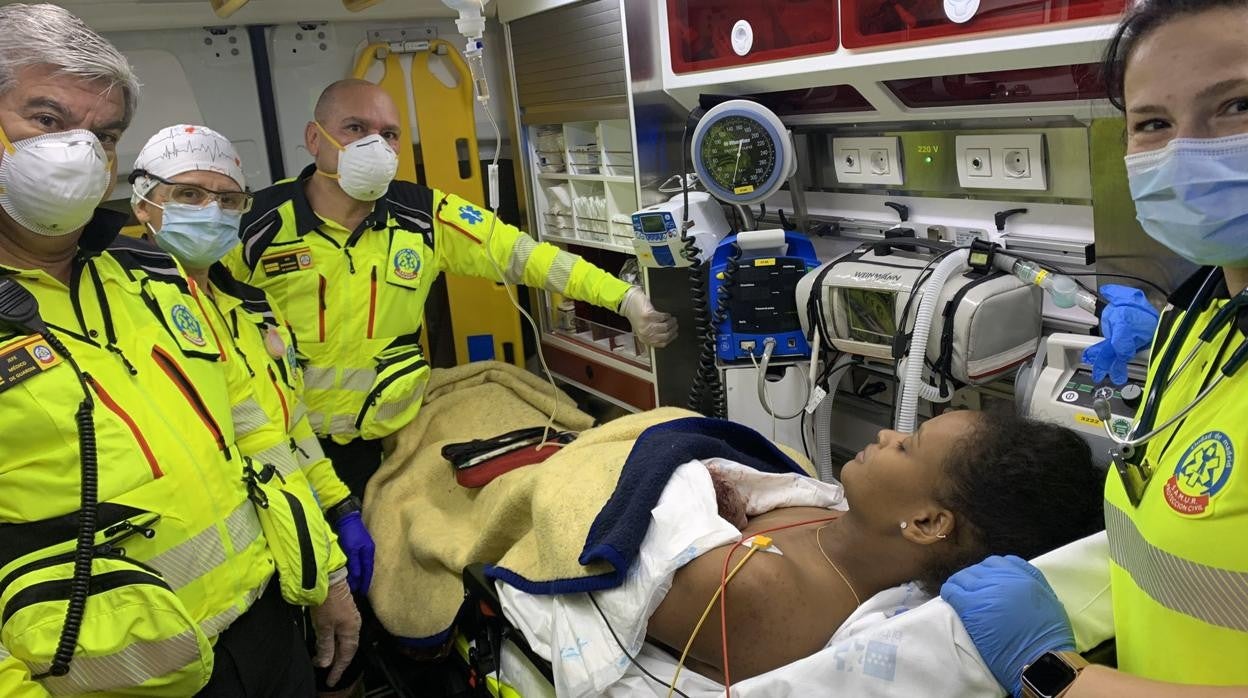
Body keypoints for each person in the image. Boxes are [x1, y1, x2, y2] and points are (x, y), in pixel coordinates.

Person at [0, 5, 351, 695]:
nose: (78, 152)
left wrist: (326, 572)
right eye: (46, 120)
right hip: (114, 676)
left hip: (267, 632)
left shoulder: (150, 278)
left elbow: (256, 434)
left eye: (102, 136)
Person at [939, 1, 1248, 695]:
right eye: (1154, 124)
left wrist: (1056, 676)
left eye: (1238, 104)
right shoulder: (1204, 327)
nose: (1186, 152)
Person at [226, 79, 678, 502]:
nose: (375, 145)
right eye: (356, 128)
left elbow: (525, 256)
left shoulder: (423, 216)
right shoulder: (255, 224)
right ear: (314, 137)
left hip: (391, 438)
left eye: (390, 134)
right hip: (286, 440)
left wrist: (624, 298)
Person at [128, 123, 374, 687]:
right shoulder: (119, 312)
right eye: (189, 195)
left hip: (272, 586)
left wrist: (341, 510)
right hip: (173, 621)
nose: (211, 212)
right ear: (145, 203)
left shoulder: (251, 311)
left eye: (229, 200)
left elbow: (287, 429)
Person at [644, 410, 1105, 682]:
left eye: (907, 447)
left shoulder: (760, 591)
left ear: (926, 523)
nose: (887, 435)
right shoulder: (831, 513)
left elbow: (608, 545)